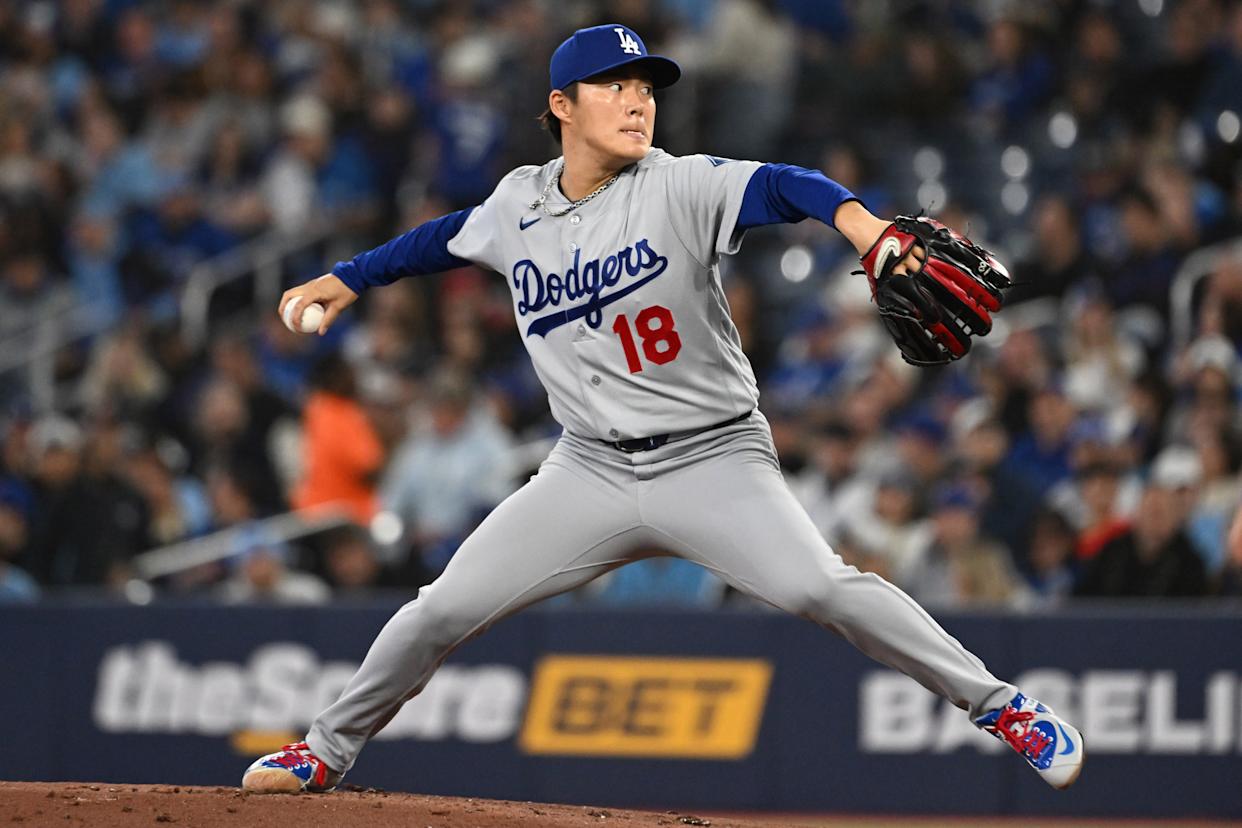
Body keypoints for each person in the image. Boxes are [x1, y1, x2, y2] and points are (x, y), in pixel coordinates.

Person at [243, 24, 1084, 795]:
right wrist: (346, 278)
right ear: (560, 106)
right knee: (440, 609)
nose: (638, 99)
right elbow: (437, 239)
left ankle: (1002, 707)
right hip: (588, 470)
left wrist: (863, 227)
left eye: (645, 85)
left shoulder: (678, 186)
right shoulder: (515, 207)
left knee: (825, 590)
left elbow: (789, 186)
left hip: (714, 461)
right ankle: (323, 750)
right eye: (614, 85)